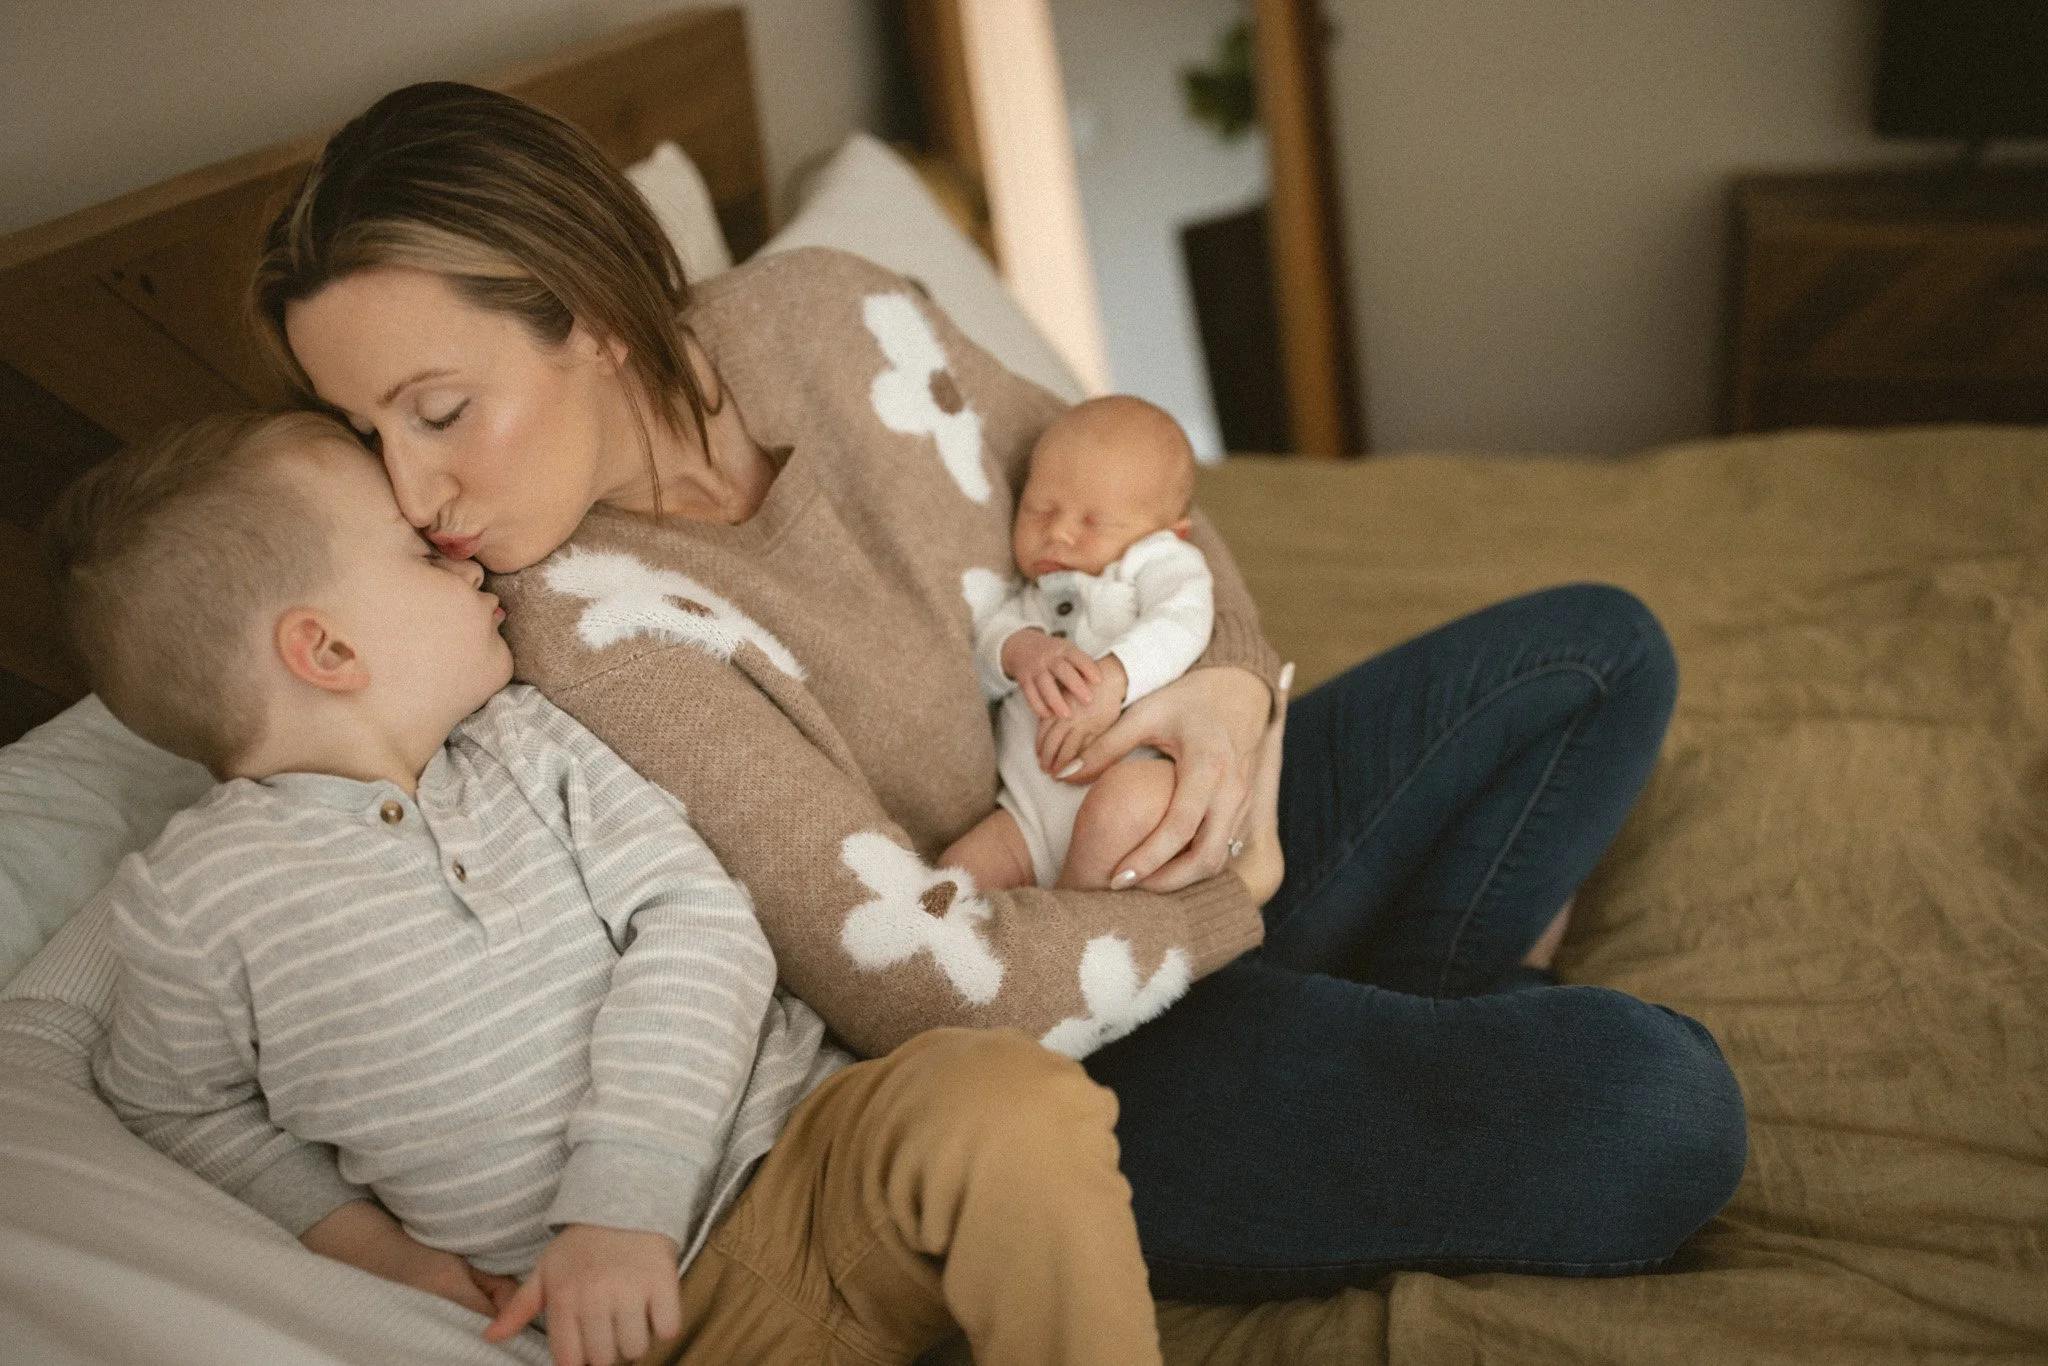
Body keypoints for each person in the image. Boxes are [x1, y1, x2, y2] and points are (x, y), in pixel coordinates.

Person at [253, 81, 1748, 1301]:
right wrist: (1235, 892)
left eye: (438, 410)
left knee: (1598, 652)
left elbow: (1139, 480)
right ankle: (1349, 1031)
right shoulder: (568, 627)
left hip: (1170, 824)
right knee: (1658, 1107)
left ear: (589, 311)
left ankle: (1368, 1016)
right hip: (1069, 1059)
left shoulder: (827, 312)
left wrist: (1229, 694)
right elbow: (898, 981)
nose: (411, 486)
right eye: (365, 430)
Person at [48, 410, 1165, 1366]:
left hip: (814, 1160)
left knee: (1006, 1098)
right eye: (419, 555)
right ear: (325, 651)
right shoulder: (192, 905)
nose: (467, 557)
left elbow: (704, 925)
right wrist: (376, 1251)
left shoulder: (534, 741)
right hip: (643, 1332)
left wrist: (620, 1199)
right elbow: (175, 1100)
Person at [943, 393, 1235, 893]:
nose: (1056, 532)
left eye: (1091, 521)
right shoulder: (1028, 604)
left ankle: (1077, 921)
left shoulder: (1155, 565)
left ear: (1170, 535)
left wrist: (1115, 680)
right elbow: (982, 657)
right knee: (953, 876)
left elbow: (1184, 620)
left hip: (1129, 795)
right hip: (1026, 820)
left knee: (1126, 802)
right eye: (1040, 509)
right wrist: (1020, 652)